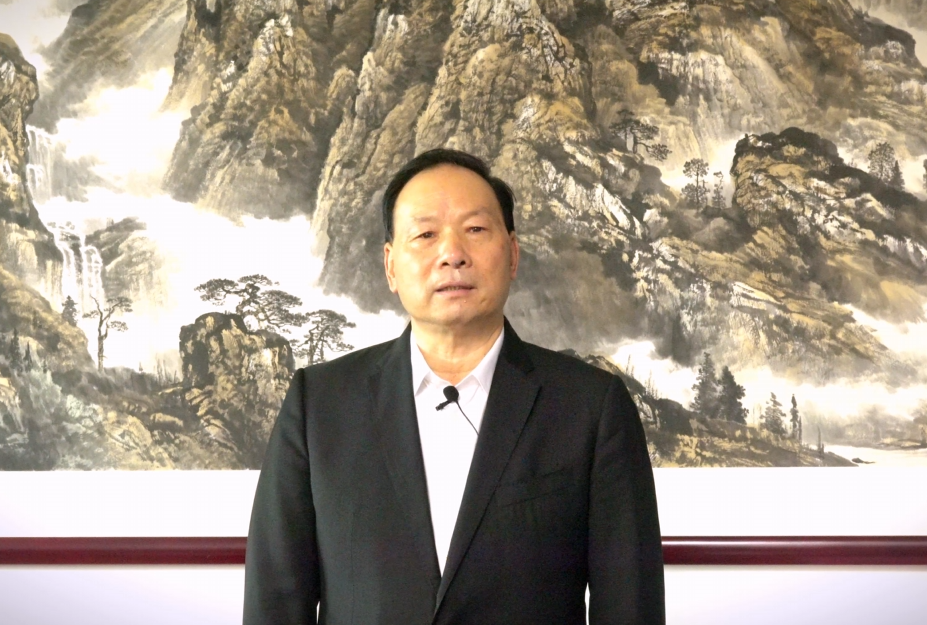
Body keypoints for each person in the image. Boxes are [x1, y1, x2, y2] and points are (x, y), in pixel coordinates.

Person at [243, 148, 663, 624]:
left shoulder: (590, 407)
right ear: (390, 266)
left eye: (476, 229)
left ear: (512, 254)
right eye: (425, 235)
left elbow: (631, 606)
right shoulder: (319, 405)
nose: (452, 254)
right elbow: (275, 602)